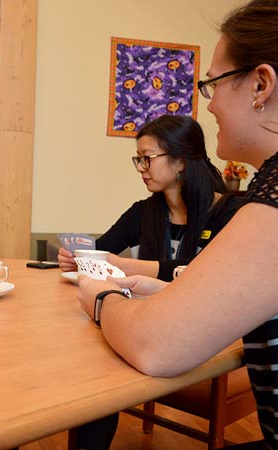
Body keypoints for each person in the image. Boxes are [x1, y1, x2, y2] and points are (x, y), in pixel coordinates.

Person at [76, 1, 278, 449]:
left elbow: (156, 345)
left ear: (261, 84)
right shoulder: (149, 209)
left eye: (213, 85)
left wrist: (102, 298)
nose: (209, 106)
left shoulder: (265, 206)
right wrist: (169, 289)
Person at [58, 114, 242, 282]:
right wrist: (76, 259)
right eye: (139, 159)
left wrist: (123, 265)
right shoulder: (140, 213)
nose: (140, 168)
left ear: (181, 161)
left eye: (147, 158)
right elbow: (100, 250)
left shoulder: (229, 212)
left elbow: (208, 268)